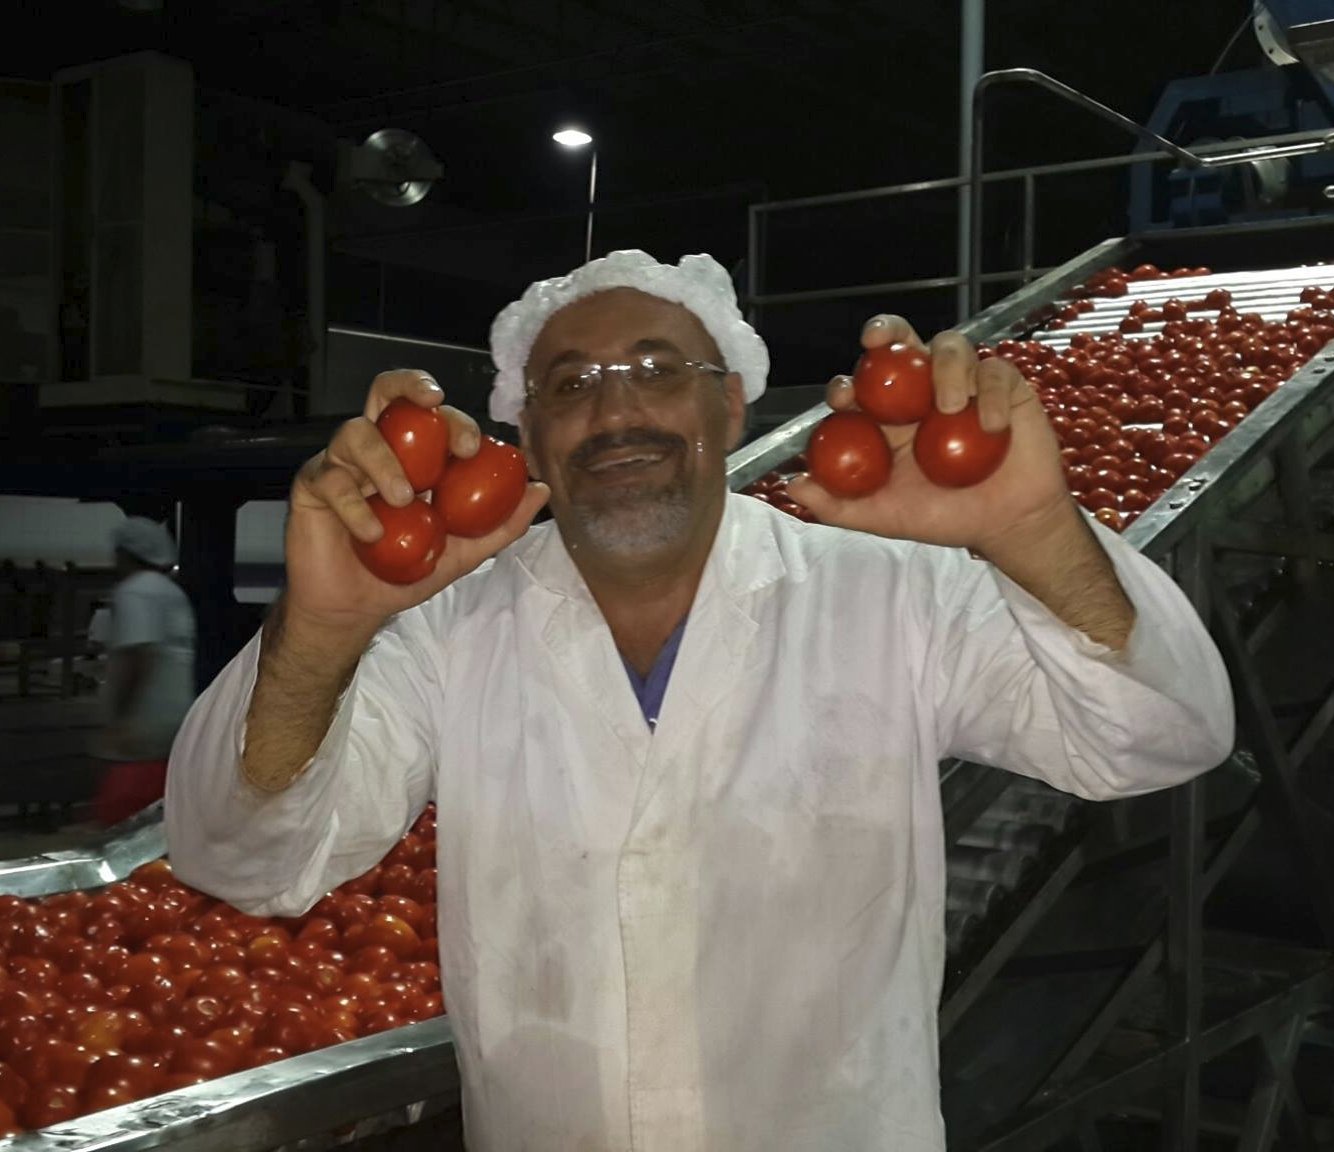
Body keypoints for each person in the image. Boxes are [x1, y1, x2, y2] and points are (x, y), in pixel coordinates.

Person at [166, 250, 1234, 1151]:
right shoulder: (447, 635)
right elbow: (248, 856)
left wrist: (1035, 533)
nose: (617, 407)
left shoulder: (892, 593)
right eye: (570, 384)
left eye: (657, 369)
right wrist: (322, 629)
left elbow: (1159, 739)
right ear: (526, 440)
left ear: (730, 405)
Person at [93, 517, 196, 825]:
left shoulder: (134, 591)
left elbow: (138, 654)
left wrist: (121, 716)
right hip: (177, 714)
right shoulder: (173, 593)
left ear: (127, 554)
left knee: (124, 815)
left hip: (143, 719)